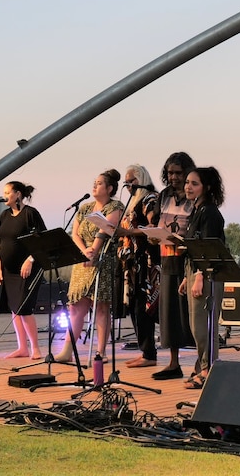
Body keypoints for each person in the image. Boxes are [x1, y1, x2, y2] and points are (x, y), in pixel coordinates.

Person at [55, 169, 124, 362]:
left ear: (110, 188)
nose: (95, 185)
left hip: (103, 260)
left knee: (101, 306)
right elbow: (75, 232)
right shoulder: (85, 208)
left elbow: (104, 230)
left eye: (100, 183)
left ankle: (101, 352)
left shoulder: (115, 206)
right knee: (76, 306)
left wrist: (93, 250)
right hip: (82, 258)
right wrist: (85, 251)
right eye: (94, 182)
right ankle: (68, 350)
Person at [178, 166, 226, 389]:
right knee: (196, 325)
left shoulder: (209, 212)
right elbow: (193, 247)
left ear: (206, 187)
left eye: (194, 183)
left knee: (204, 325)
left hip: (207, 274)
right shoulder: (196, 210)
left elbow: (208, 247)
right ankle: (203, 366)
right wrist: (188, 277)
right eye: (187, 182)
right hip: (194, 271)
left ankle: (208, 370)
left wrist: (198, 276)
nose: (188, 186)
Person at [150, 152, 196, 381]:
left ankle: (201, 363)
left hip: (188, 259)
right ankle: (173, 363)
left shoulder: (194, 195)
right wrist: (153, 236)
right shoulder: (164, 195)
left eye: (178, 173)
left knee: (191, 312)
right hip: (166, 258)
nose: (174, 177)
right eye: (170, 173)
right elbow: (159, 223)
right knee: (168, 312)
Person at [115, 164, 161, 368]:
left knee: (144, 308)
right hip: (132, 262)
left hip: (147, 260)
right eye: (126, 180)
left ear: (141, 178)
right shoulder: (131, 201)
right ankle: (145, 351)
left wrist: (128, 233)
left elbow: (154, 227)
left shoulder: (150, 198)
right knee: (134, 307)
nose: (127, 183)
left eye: (131, 180)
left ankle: (150, 354)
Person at [0, 181, 48, 359]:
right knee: (14, 308)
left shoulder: (30, 214)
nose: (4, 195)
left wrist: (31, 259)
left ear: (18, 194)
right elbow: (2, 242)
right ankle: (22, 347)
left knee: (24, 308)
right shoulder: (4, 215)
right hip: (9, 270)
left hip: (28, 268)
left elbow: (42, 239)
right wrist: (0, 267)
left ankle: (35, 348)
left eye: (7, 192)